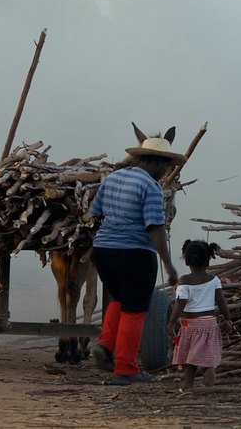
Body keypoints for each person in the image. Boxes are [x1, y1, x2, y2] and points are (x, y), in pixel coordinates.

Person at [89, 127, 185, 384]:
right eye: (165, 165)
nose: (166, 171)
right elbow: (155, 227)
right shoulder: (151, 187)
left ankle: (105, 345)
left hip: (103, 252)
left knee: (120, 299)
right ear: (154, 162)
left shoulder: (112, 178)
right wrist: (168, 265)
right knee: (135, 310)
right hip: (135, 254)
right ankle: (126, 368)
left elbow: (94, 210)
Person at [167, 239, 233, 391]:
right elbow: (221, 301)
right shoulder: (214, 280)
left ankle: (188, 387)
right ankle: (208, 378)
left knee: (189, 360)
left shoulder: (184, 281)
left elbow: (181, 303)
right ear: (208, 261)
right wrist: (228, 318)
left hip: (190, 325)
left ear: (187, 261)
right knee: (208, 358)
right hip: (210, 323)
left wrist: (171, 322)